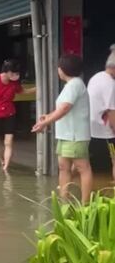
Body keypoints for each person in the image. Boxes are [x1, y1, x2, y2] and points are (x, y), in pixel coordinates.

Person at [32, 54, 92, 204]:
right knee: (63, 167)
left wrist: (46, 122)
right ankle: (63, 200)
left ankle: (85, 204)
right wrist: (48, 117)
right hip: (66, 134)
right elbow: (62, 108)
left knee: (82, 167)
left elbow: (65, 108)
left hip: (75, 135)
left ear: (62, 69)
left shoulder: (75, 84)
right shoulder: (71, 85)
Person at [0, 59, 36, 171]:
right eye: (15, 73)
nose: (17, 76)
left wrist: (37, 89)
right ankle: (2, 159)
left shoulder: (14, 83)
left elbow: (22, 91)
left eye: (18, 74)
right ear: (8, 72)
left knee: (8, 142)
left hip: (9, 114)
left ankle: (6, 167)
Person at [87, 44, 115, 181]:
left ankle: (66, 187)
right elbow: (111, 111)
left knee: (81, 163)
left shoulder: (96, 77)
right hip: (104, 131)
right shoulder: (110, 84)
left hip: (89, 129)